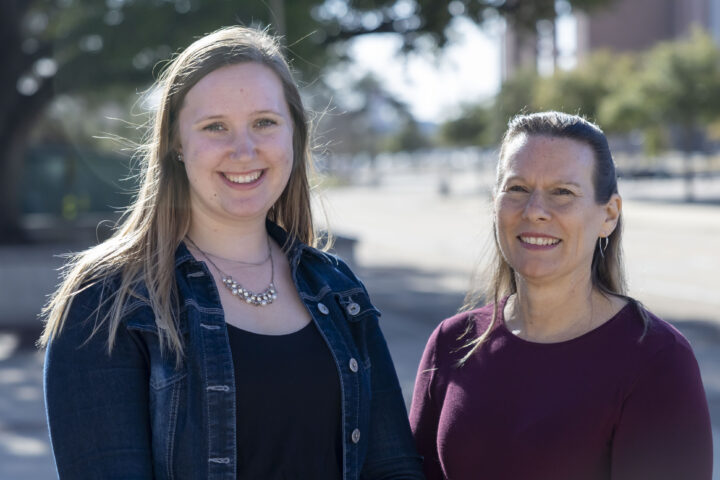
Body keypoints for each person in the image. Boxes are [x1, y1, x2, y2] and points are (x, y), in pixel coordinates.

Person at [41, 26, 423, 480]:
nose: (244, 149)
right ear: (177, 146)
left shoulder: (339, 291)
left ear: (293, 137)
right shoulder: (108, 301)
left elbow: (392, 468)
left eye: (264, 122)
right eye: (215, 126)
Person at [409, 111, 713, 480]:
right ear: (495, 203)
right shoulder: (451, 343)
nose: (535, 211)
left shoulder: (657, 362)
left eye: (563, 192)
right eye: (517, 188)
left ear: (609, 215)